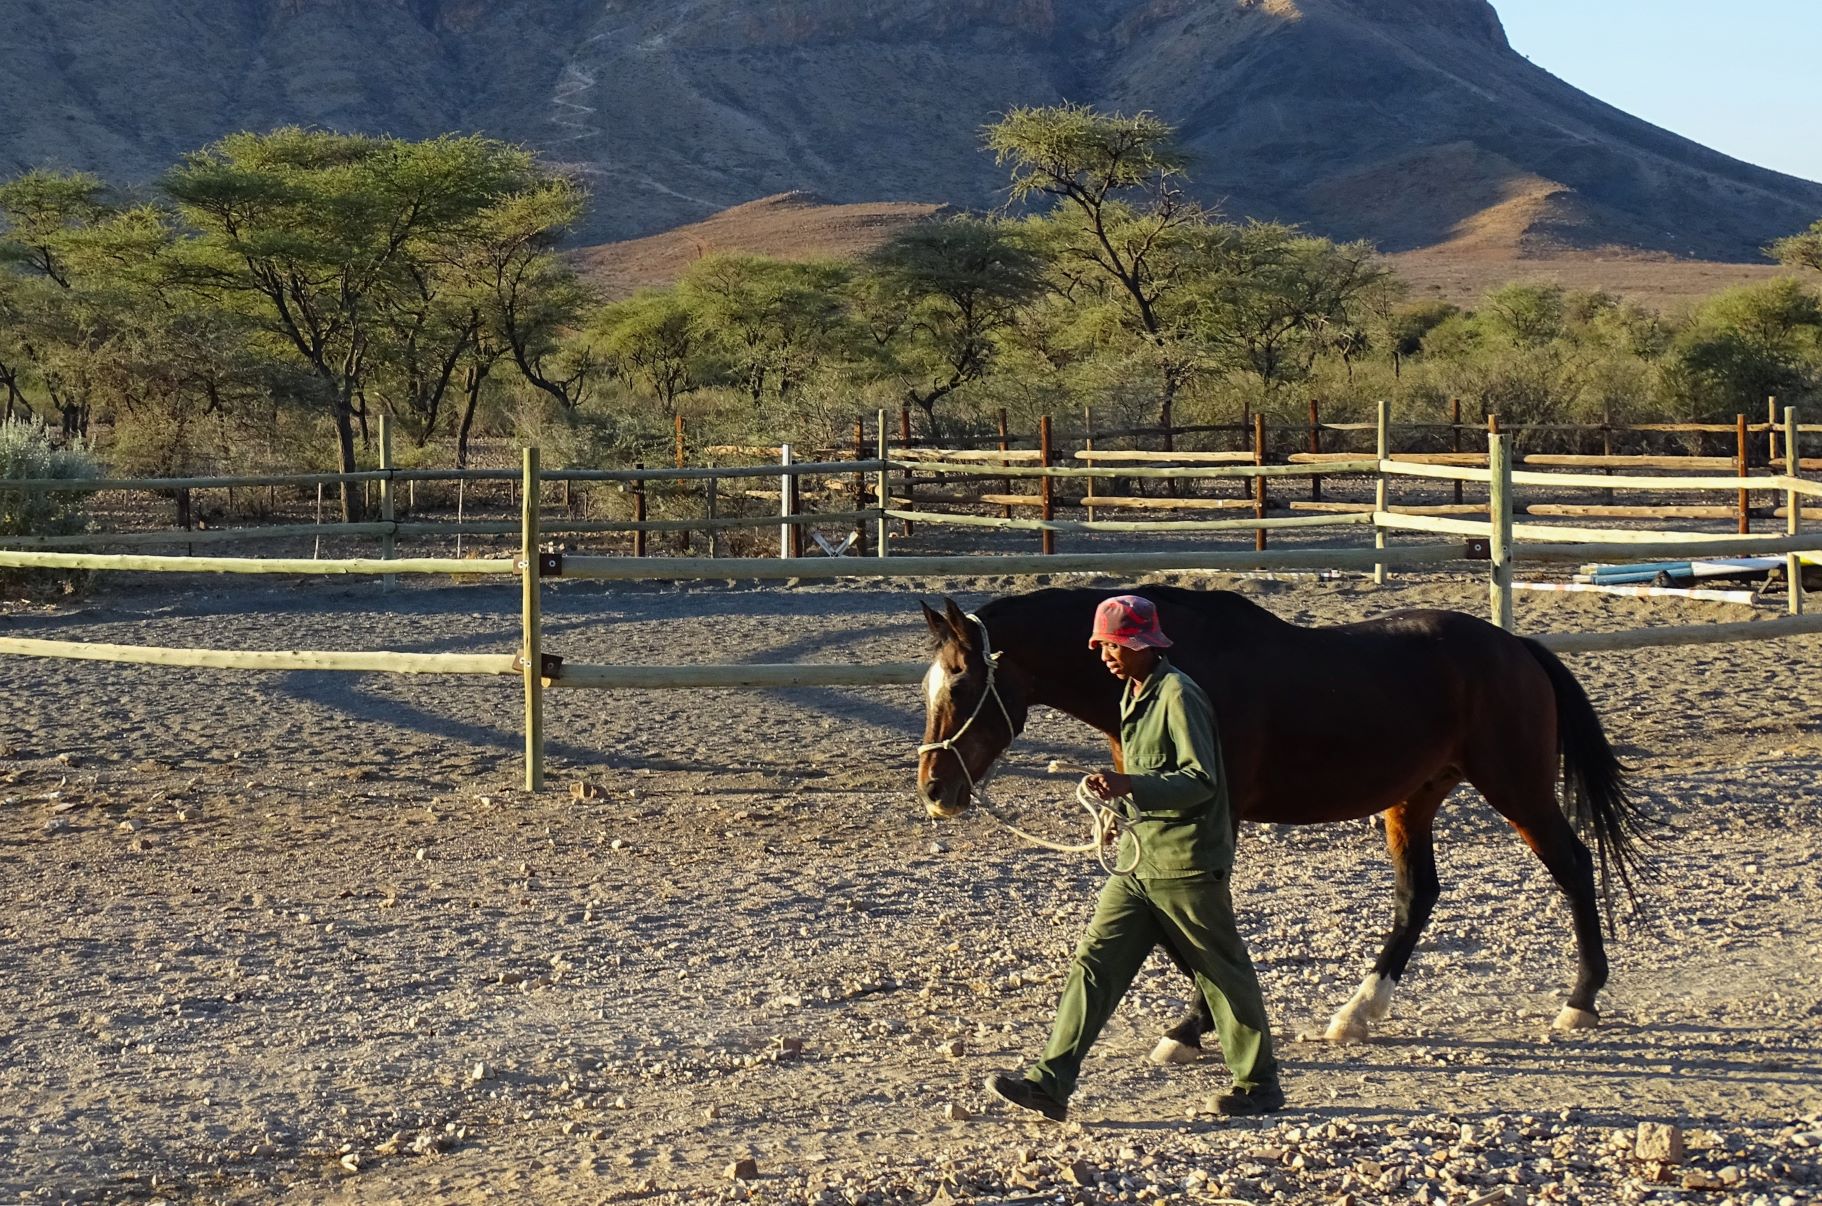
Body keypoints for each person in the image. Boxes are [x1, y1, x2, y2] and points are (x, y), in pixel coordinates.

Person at [985, 594, 1283, 1122]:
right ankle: (1049, 1083)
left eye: (1116, 644)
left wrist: (1131, 783)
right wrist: (1118, 795)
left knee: (1220, 971)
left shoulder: (1178, 696)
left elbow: (1201, 781)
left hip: (1186, 860)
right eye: (1102, 644)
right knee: (1095, 964)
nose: (1105, 654)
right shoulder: (1134, 693)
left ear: (1146, 645)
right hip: (1139, 860)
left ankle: (1259, 1084)